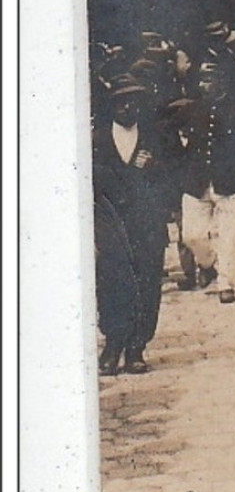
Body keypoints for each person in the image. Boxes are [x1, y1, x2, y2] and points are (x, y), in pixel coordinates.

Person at [93, 75, 178, 375]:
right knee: (112, 284)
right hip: (112, 227)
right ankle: (113, 344)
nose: (127, 106)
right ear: (112, 105)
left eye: (133, 101)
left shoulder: (155, 138)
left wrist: (156, 167)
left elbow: (173, 176)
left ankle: (136, 348)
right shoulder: (98, 140)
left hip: (148, 227)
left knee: (146, 285)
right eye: (121, 101)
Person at [169, 61, 235, 305]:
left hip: (229, 182)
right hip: (196, 181)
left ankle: (226, 283)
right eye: (201, 80)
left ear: (221, 81)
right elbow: (171, 137)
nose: (203, 84)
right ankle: (208, 263)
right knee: (191, 235)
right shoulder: (191, 109)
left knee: (229, 236)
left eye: (208, 79)